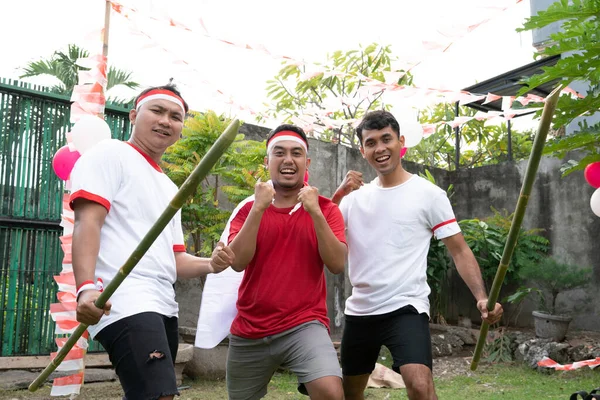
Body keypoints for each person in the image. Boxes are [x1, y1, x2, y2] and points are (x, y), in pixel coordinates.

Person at [69, 84, 235, 400]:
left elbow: (175, 260)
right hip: (121, 296)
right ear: (134, 115)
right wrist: (86, 287)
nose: (165, 121)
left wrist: (211, 264)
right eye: (156, 111)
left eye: (175, 116)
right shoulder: (110, 153)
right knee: (157, 394)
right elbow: (88, 222)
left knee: (152, 393)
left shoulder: (170, 187)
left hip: (163, 304)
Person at [331, 110, 503, 400]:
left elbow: (459, 250)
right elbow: (320, 238)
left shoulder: (429, 194)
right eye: (371, 143)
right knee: (350, 393)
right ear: (363, 151)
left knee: (420, 385)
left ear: (401, 142)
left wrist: (481, 297)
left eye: (387, 139)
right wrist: (336, 197)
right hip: (361, 310)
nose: (380, 148)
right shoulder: (352, 200)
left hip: (406, 307)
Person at [224, 124, 346, 400]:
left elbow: (337, 264)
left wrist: (314, 211)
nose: (288, 160)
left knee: (330, 392)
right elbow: (238, 262)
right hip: (250, 329)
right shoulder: (247, 208)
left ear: (307, 162)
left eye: (296, 153)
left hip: (304, 324)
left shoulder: (327, 209)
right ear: (267, 162)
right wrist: (258, 207)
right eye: (279, 153)